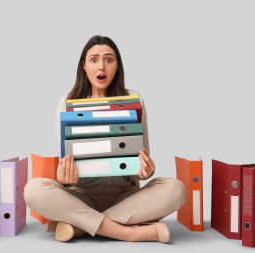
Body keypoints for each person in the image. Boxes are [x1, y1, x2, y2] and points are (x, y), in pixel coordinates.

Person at [24, 35, 186, 243]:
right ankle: (129, 233)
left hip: (125, 196)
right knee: (33, 190)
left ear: (117, 65)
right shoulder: (67, 102)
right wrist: (64, 179)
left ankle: (80, 226)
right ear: (83, 66)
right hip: (81, 196)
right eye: (94, 60)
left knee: (176, 189)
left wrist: (147, 170)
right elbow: (64, 162)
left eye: (108, 60)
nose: (101, 67)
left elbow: (142, 157)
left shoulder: (134, 98)